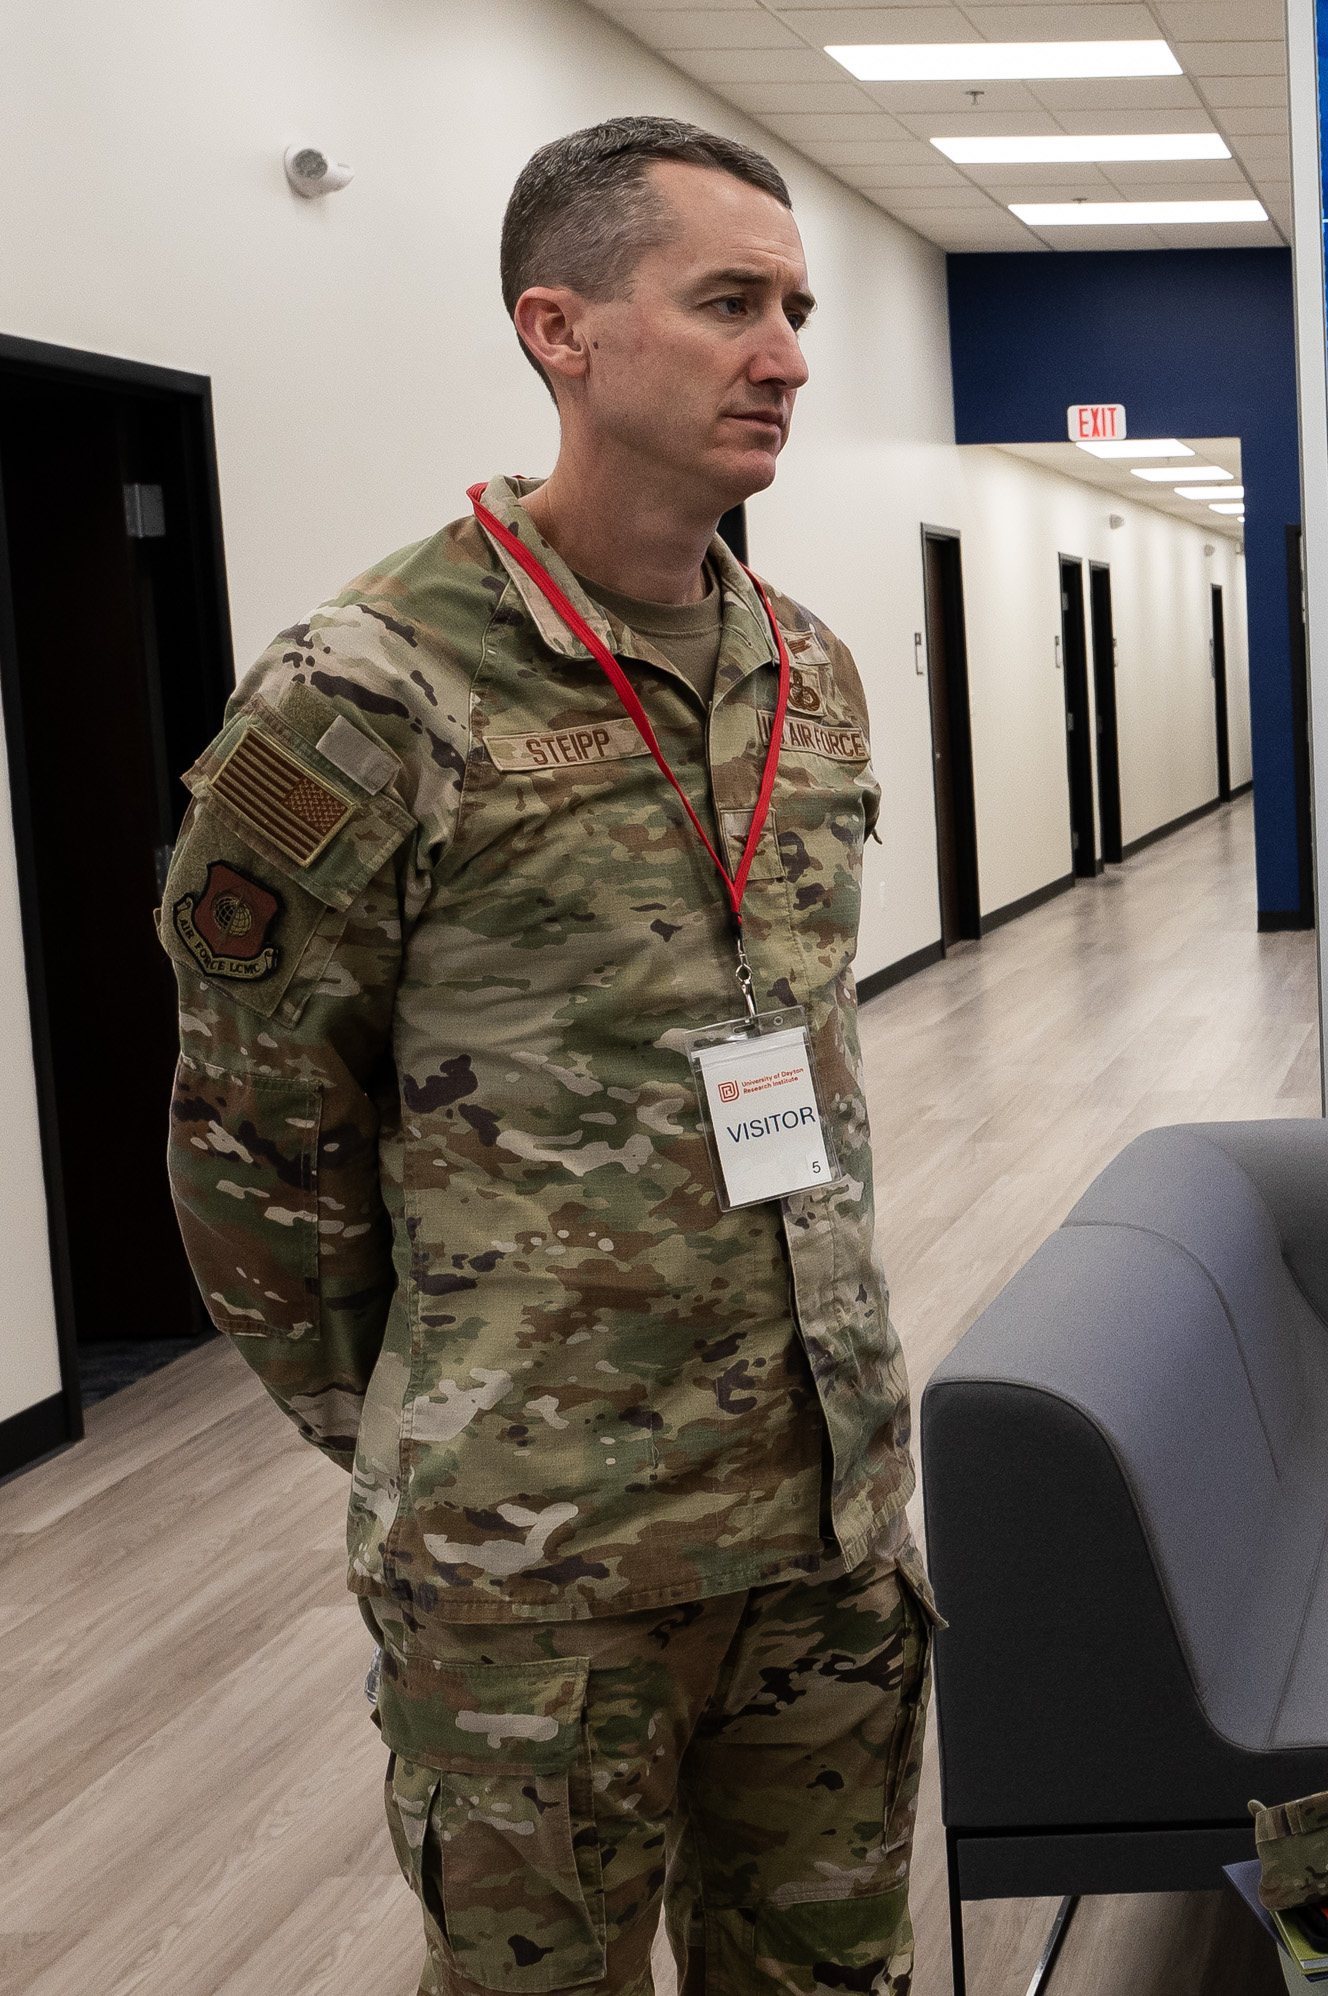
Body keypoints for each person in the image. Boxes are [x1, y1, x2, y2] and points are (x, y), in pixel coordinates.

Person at [157, 117, 926, 1995]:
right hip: (535, 1570)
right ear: (559, 331)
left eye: (798, 311)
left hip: (824, 1522)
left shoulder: (807, 669)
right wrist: (439, 1422)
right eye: (730, 303)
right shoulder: (367, 691)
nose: (786, 356)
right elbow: (254, 1148)